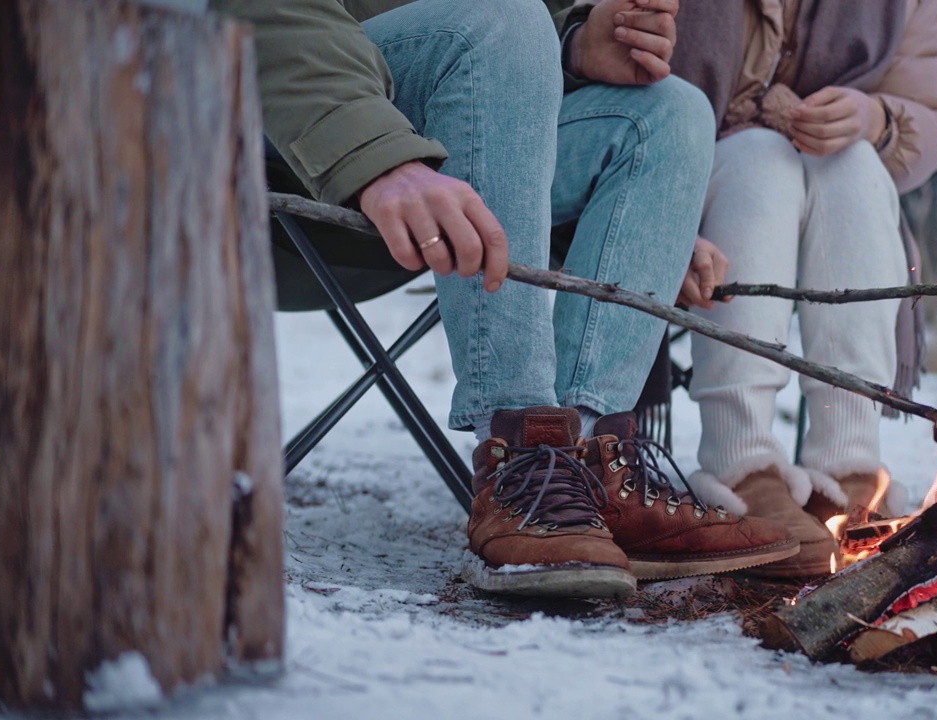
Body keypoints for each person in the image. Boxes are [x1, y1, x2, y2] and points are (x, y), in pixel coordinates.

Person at [212, 0, 800, 599]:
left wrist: (575, 46)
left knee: (669, 110)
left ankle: (592, 473)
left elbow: (509, 82)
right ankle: (525, 460)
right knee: (503, 20)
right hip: (276, 146)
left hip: (444, 173)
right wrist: (377, 156)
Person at [671, 0, 937, 578]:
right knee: (761, 159)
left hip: (834, 176)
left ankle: (848, 469)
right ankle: (741, 465)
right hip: (691, 178)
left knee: (853, 164)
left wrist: (876, 117)